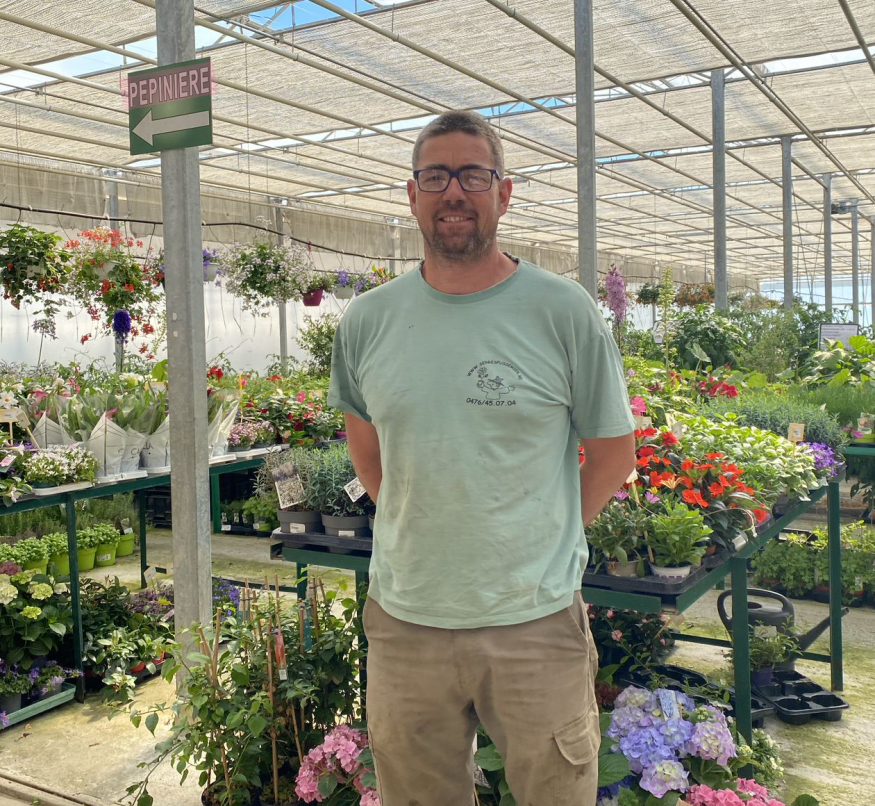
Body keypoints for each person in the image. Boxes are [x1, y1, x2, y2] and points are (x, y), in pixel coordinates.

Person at [328, 110, 636, 806]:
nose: (454, 192)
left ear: (504, 192)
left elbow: (614, 453)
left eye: (473, 174)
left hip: (534, 624)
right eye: (435, 176)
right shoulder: (368, 320)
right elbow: (368, 452)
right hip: (406, 621)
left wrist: (539, 535)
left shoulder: (562, 311)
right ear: (412, 194)